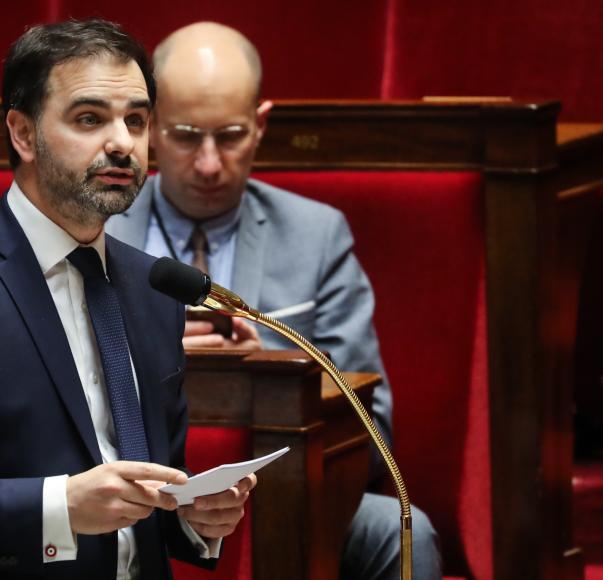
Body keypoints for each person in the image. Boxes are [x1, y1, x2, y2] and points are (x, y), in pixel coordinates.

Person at [0, 19, 253, 580]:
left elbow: (150, 486)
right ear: (22, 134)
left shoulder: (155, 288)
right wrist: (57, 509)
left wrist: (194, 515)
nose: (122, 143)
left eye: (136, 120)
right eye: (89, 118)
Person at [106, 22, 442, 580]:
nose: (209, 163)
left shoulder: (316, 236)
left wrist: (270, 367)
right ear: (151, 127)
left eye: (231, 135)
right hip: (134, 491)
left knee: (404, 532)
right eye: (187, 135)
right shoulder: (99, 229)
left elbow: (372, 425)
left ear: (261, 126)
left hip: (281, 492)